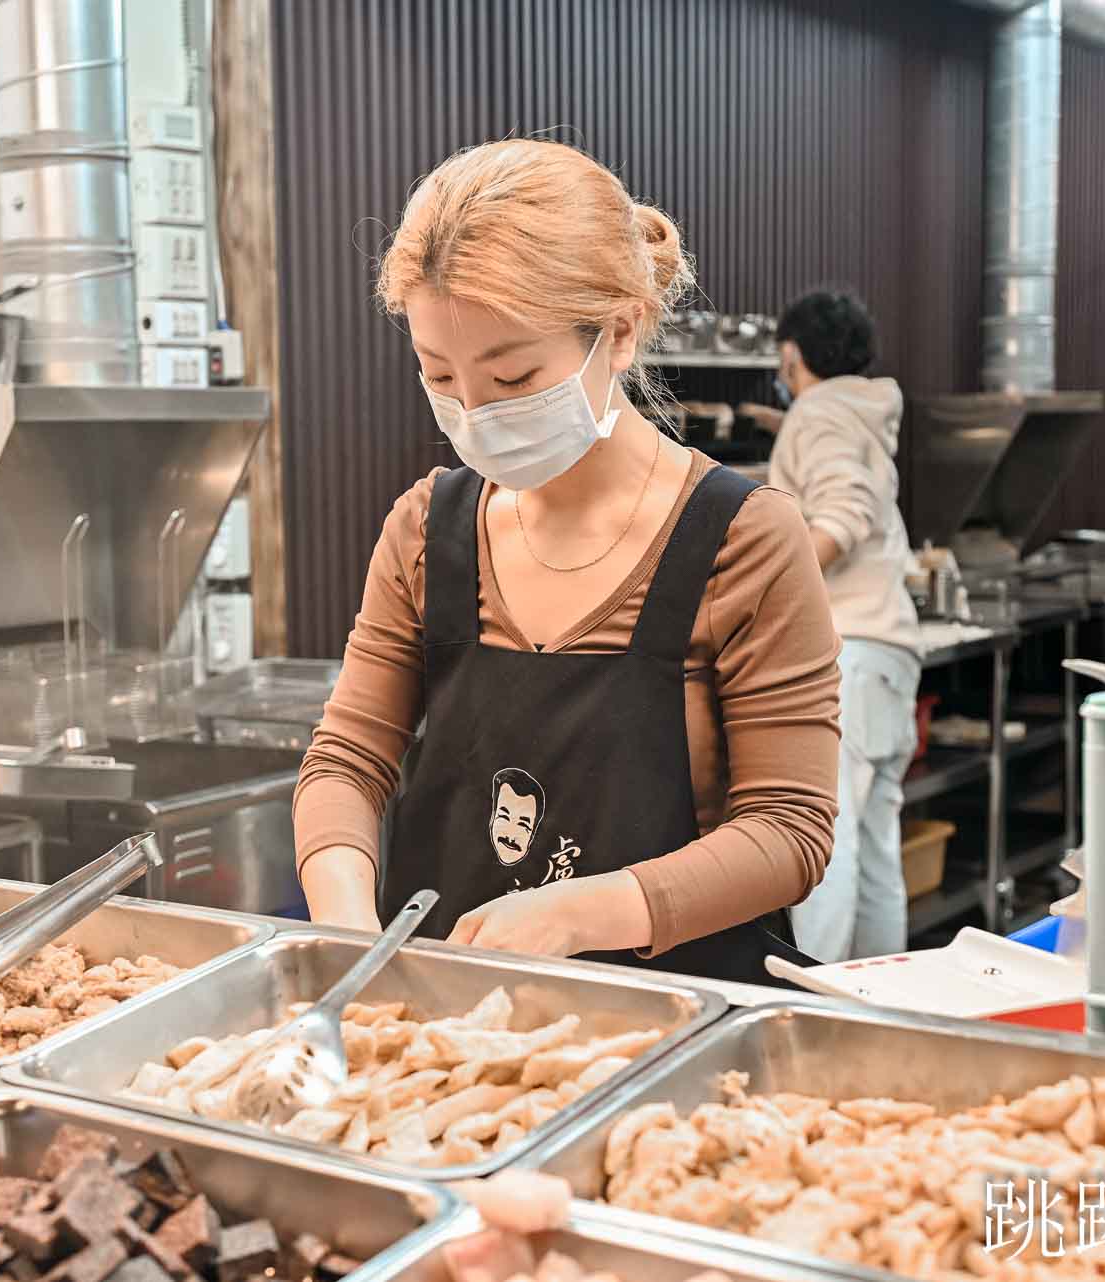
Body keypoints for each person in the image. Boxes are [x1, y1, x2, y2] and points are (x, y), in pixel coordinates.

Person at [293, 140, 842, 983]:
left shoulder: (745, 540)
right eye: (439, 376)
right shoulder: (425, 531)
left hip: (678, 1030)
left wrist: (577, 912)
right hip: (437, 1021)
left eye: (513, 378)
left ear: (617, 334)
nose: (473, 414)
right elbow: (348, 761)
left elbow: (788, 829)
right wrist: (344, 925)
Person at [766, 290, 922, 963]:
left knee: (824, 835)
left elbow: (842, 513)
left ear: (793, 355)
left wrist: (770, 587)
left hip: (846, 651)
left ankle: (817, 1003)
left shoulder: (818, 412)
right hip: (890, 650)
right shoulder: (863, 412)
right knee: (876, 843)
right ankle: (877, 1001)